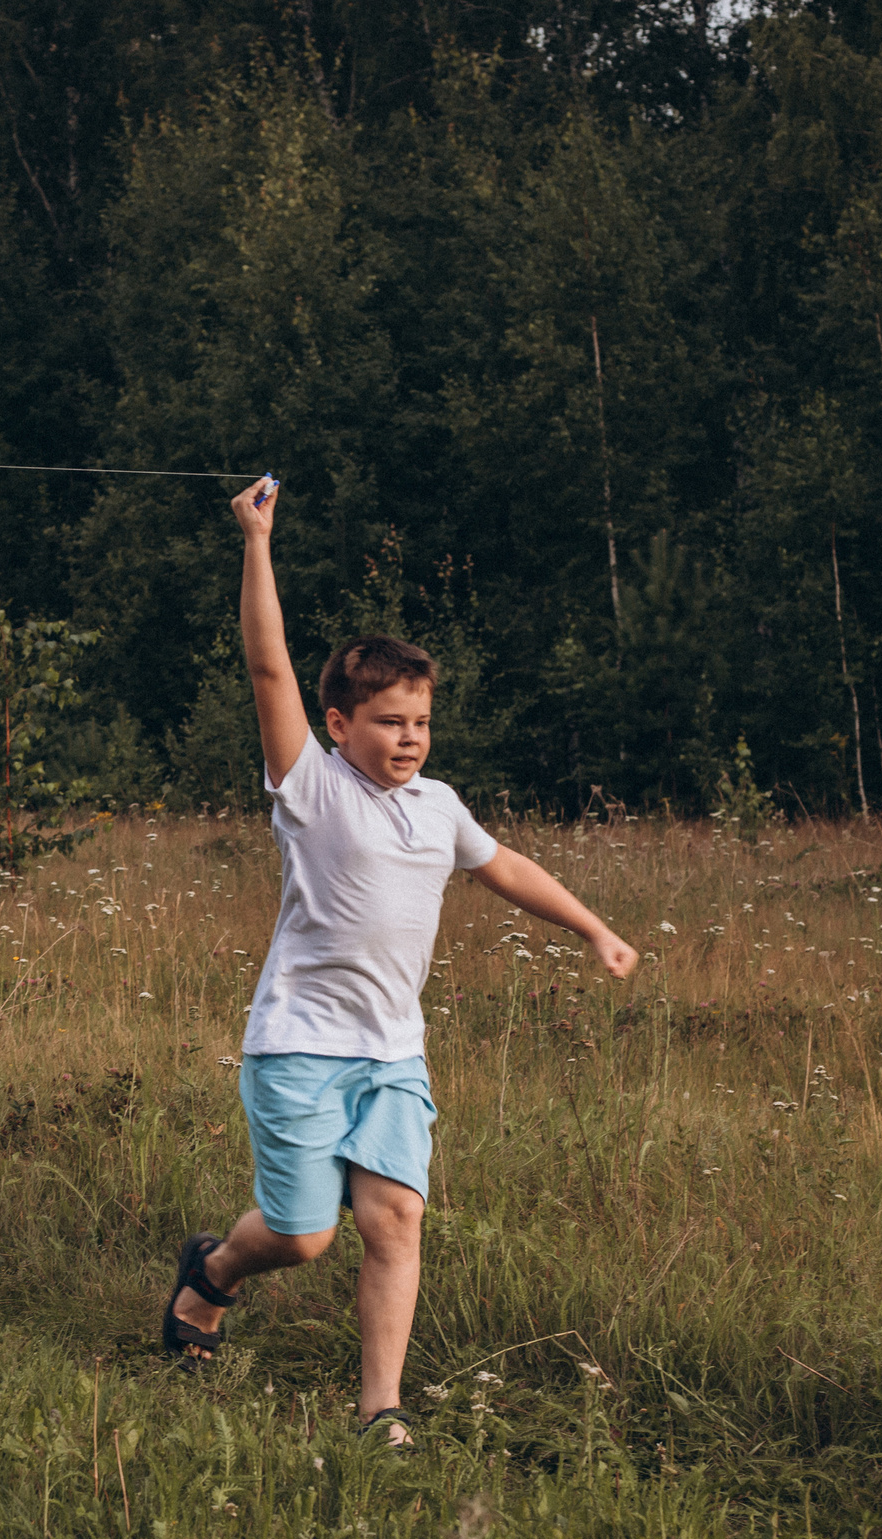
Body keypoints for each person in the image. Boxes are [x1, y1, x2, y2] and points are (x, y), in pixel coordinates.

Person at [162, 477, 640, 1447]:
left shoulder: (438, 805)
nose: (409, 737)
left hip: (391, 1055)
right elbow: (267, 669)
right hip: (299, 1046)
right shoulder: (310, 788)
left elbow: (504, 866)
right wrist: (256, 541)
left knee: (394, 1222)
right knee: (303, 1236)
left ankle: (379, 1410)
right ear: (340, 725)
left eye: (419, 721)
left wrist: (593, 928)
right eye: (388, 720)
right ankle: (212, 1271)